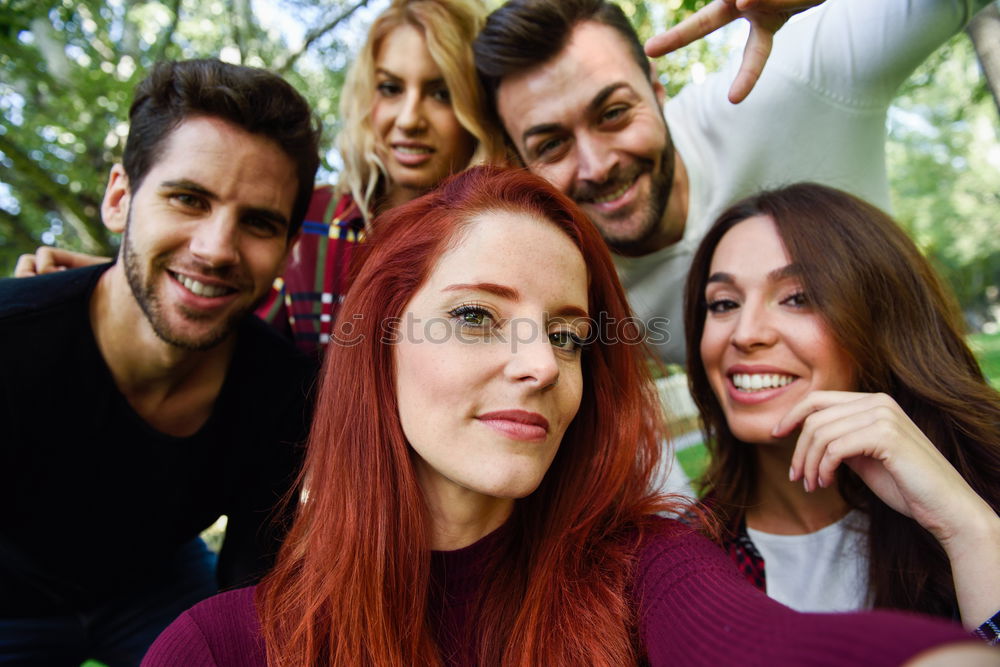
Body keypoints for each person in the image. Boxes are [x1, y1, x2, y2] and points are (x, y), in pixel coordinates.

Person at [142, 167, 991, 666]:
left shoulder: (650, 563)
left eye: (568, 334)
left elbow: (756, 644)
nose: (543, 363)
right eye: (475, 316)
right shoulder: (221, 645)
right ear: (380, 346)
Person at [0, 59, 320, 665]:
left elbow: (250, 594)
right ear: (120, 198)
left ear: (285, 252)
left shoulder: (282, 393)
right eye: (188, 198)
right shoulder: (13, 342)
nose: (216, 249)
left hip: (156, 588)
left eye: (257, 222)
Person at [473, 0, 993, 364]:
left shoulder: (792, 78)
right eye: (551, 145)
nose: (596, 165)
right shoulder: (574, 291)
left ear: (658, 92)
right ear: (520, 161)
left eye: (612, 112)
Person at [17, 0, 504, 358]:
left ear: (474, 104)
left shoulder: (506, 237)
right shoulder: (311, 217)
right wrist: (116, 281)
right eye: (390, 88)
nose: (409, 118)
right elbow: (229, 323)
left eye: (441, 92)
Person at [682, 182, 1000, 643]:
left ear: (882, 321)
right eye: (724, 304)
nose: (745, 334)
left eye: (797, 297)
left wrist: (971, 531)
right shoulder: (681, 563)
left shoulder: (983, 497)